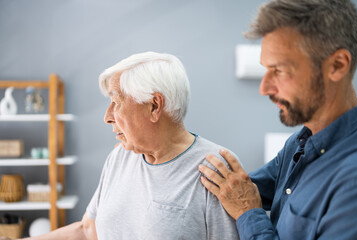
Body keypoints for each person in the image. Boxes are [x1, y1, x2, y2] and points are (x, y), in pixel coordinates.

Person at [0, 52, 240, 240]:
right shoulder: (120, 157)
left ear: (154, 106)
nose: (107, 116)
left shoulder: (215, 169)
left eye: (116, 102)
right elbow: (88, 231)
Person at [199, 0, 357, 239]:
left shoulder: (353, 180)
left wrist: (248, 213)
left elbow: (245, 201)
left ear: (337, 65)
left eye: (280, 70)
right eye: (265, 69)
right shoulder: (302, 141)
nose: (264, 88)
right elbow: (244, 188)